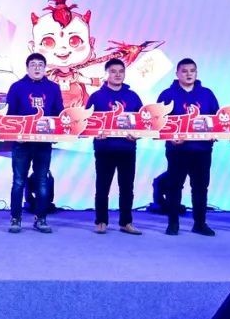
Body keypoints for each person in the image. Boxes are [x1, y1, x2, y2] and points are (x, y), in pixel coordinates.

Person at [157, 58, 219, 236]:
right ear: (177, 74)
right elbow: (159, 122)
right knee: (174, 187)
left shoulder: (207, 94)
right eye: (184, 71)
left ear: (196, 73)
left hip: (202, 150)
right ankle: (173, 223)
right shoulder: (167, 94)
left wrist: (216, 133)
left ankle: (200, 223)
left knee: (200, 187)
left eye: (192, 70)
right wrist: (170, 137)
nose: (189, 74)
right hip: (177, 151)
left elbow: (217, 120)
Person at [5, 53, 64, 234]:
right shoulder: (17, 87)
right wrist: (15, 134)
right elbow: (10, 115)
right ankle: (16, 219)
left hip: (43, 144)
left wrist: (57, 132)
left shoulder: (53, 88)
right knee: (18, 182)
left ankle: (41, 219)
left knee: (42, 182)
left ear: (45, 68)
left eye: (40, 64)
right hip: (21, 144)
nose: (37, 68)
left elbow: (59, 114)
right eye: (33, 64)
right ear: (27, 67)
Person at [87, 58, 142, 235]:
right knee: (102, 187)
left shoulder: (133, 96)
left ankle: (126, 222)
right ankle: (101, 221)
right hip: (104, 149)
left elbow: (143, 122)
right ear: (106, 74)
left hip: (127, 148)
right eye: (113, 71)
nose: (117, 75)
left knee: (127, 187)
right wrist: (95, 133)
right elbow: (87, 122)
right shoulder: (96, 97)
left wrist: (138, 135)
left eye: (121, 71)